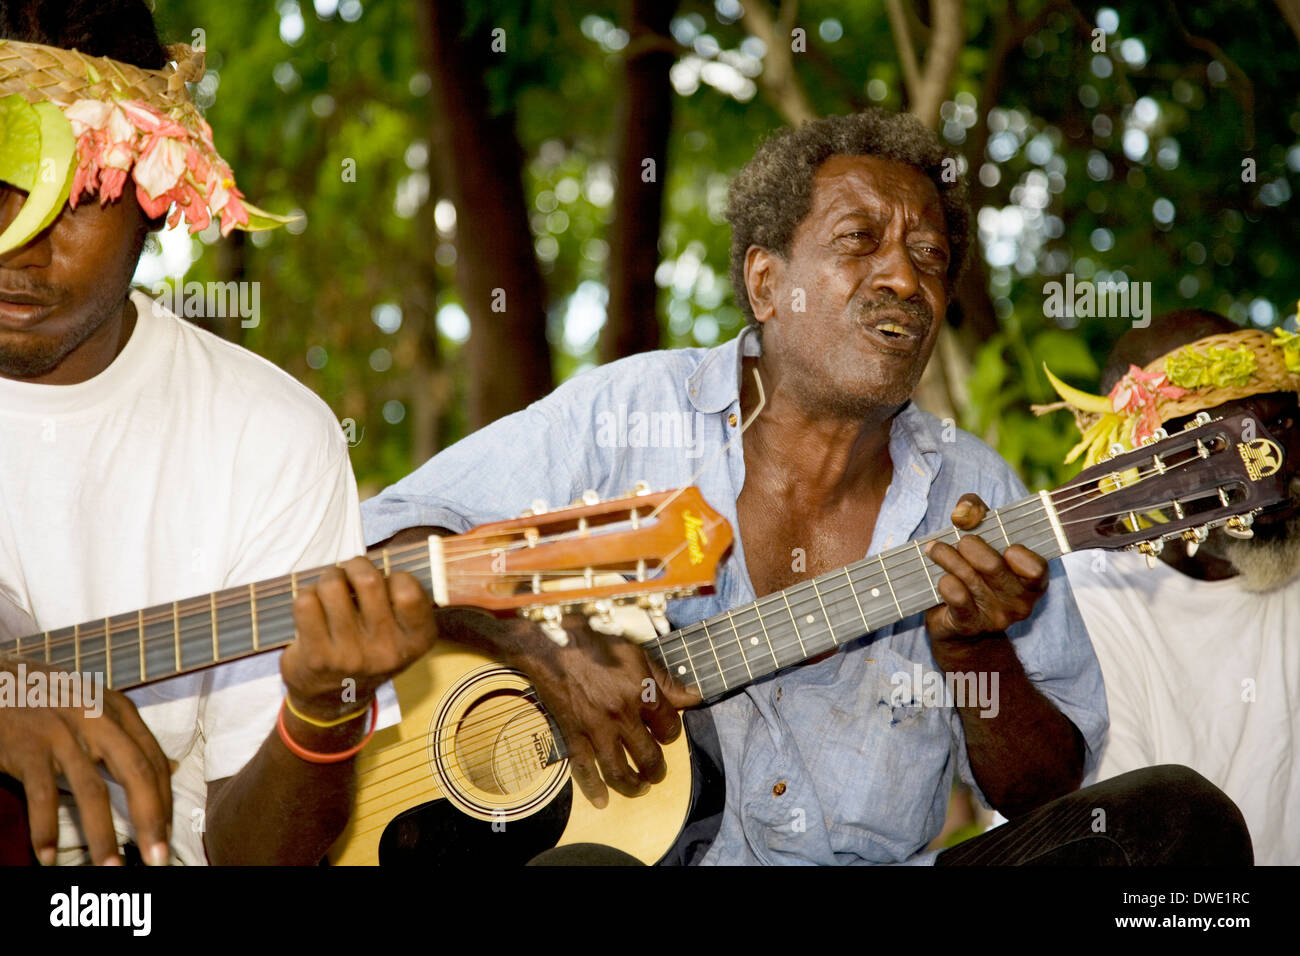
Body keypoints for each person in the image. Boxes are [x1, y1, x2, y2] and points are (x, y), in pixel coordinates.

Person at [363, 109, 1250, 865]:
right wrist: (538, 647)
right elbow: (386, 546)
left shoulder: (976, 491)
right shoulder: (628, 413)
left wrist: (977, 653)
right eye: (860, 241)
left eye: (931, 258)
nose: (905, 278)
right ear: (764, 282)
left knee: (1174, 825)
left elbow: (1043, 786)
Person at [0, 0, 433, 866]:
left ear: (157, 198)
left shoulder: (271, 441)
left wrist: (323, 711)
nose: (19, 242)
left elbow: (252, 854)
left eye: (77, 195)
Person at [1049, 309, 1300, 864]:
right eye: (1218, 443)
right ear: (1144, 472)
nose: (1270, 464)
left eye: (1281, 422)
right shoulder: (1086, 607)